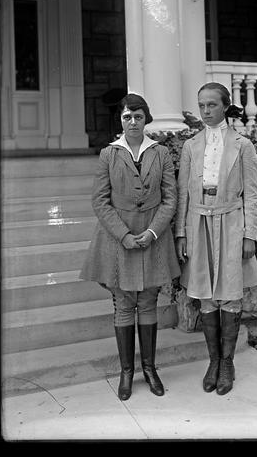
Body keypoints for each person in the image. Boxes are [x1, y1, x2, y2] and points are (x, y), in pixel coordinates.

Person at [80, 93, 180, 401]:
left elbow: (170, 198)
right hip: (117, 238)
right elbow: (100, 200)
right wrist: (123, 235)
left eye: (138, 116)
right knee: (124, 303)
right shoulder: (109, 154)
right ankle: (127, 372)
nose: (132, 122)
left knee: (148, 301)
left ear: (146, 118)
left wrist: (152, 232)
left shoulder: (160, 152)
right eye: (127, 117)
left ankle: (149, 368)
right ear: (120, 120)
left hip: (153, 235)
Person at [175, 82, 257, 396]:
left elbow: (252, 195)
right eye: (202, 105)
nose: (206, 110)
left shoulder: (242, 145)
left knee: (229, 291)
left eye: (212, 105)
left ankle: (228, 362)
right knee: (206, 294)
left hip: (230, 220)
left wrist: (249, 233)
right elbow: (183, 193)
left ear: (225, 106)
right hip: (199, 221)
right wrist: (181, 233)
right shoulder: (191, 145)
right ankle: (213, 360)